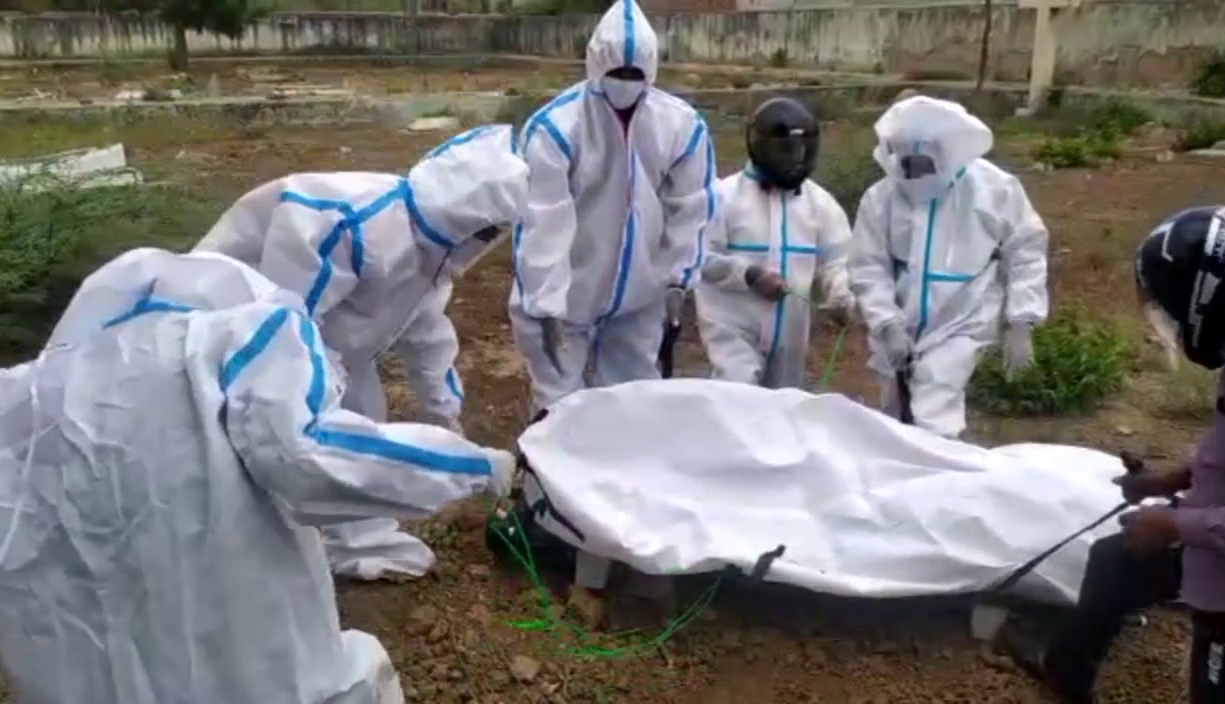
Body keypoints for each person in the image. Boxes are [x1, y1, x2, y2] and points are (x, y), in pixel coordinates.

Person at [0, 247, 515, 704]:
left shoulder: (21, 396)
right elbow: (309, 459)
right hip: (249, 651)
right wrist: (476, 466)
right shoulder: (234, 335)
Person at [193, 124, 528, 581]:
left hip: (334, 350)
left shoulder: (434, 250)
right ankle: (265, 534)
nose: (491, 241)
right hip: (241, 346)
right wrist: (471, 465)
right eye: (491, 230)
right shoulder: (348, 221)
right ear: (469, 218)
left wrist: (446, 417)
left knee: (363, 416)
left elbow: (427, 333)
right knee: (273, 440)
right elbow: (280, 324)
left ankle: (357, 538)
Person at [1000, 205, 1225, 703]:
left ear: (1202, 296)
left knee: (1222, 682)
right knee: (1116, 559)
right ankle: (1066, 671)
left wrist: (1173, 527)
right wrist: (1166, 483)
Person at [508, 0, 717, 418]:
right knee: (556, 409)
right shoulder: (556, 129)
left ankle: (620, 482)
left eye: (634, 74)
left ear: (651, 70)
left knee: (633, 405)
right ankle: (541, 484)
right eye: (615, 74)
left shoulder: (680, 126)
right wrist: (546, 305)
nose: (625, 83)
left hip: (641, 294)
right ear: (594, 65)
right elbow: (542, 221)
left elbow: (692, 206)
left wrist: (679, 277)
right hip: (567, 298)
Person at [849, 96, 1049, 438]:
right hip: (899, 317)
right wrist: (887, 322)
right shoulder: (881, 198)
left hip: (963, 314)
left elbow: (1026, 250)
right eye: (907, 166)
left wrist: (1021, 321)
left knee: (933, 408)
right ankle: (904, 484)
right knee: (895, 414)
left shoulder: (993, 190)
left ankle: (939, 481)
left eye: (923, 165)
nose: (915, 175)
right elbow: (869, 266)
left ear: (944, 157)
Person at [696, 97, 858, 388]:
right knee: (737, 392)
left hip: (791, 335)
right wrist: (749, 275)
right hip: (734, 327)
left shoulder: (819, 204)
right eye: (784, 151)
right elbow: (700, 257)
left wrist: (840, 293)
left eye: (799, 151)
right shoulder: (723, 198)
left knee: (782, 409)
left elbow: (837, 259)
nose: (793, 160)